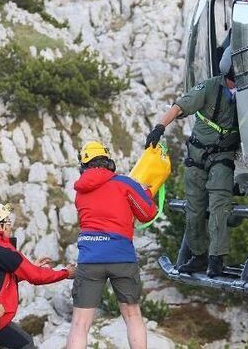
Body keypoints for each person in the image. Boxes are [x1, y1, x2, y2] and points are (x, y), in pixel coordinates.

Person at [145, 46, 239, 277]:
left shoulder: (247, 93)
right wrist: (159, 128)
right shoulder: (208, 87)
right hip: (197, 158)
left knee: (219, 206)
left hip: (223, 158)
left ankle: (216, 258)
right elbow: (179, 107)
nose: (234, 86)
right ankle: (199, 256)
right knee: (194, 209)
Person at [67, 141, 158, 349]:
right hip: (121, 256)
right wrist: (145, 193)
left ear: (83, 164)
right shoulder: (125, 183)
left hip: (90, 258)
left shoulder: (80, 192)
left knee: (80, 323)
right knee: (132, 315)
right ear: (108, 160)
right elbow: (147, 214)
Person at [0, 202, 77, 349]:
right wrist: (66, 273)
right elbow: (36, 277)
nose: (10, 226)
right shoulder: (1, 249)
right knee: (25, 343)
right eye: (7, 222)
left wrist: (30, 268)